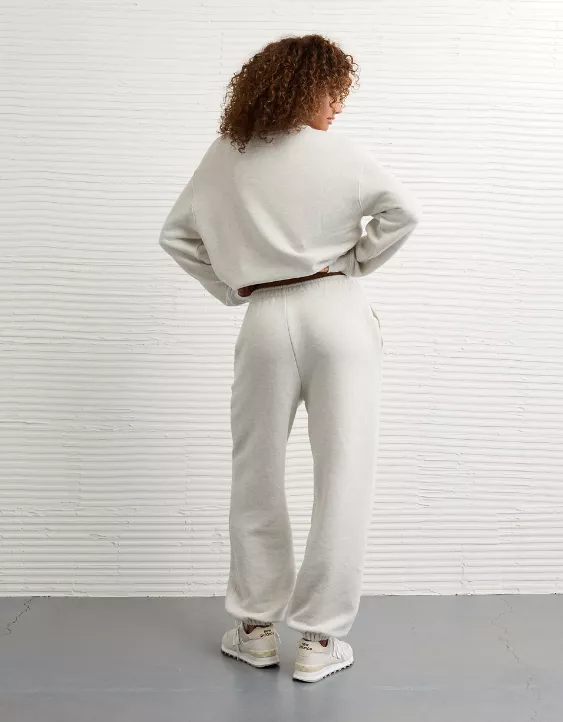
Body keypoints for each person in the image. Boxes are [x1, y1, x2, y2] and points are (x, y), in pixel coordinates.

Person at [158, 33, 421, 683]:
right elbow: (402, 214)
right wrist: (354, 260)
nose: (338, 105)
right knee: (344, 472)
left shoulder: (228, 155)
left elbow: (177, 235)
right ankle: (319, 640)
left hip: (265, 319)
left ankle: (254, 630)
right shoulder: (341, 155)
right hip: (337, 312)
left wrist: (231, 285)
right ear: (305, 87)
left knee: (255, 469)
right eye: (332, 90)